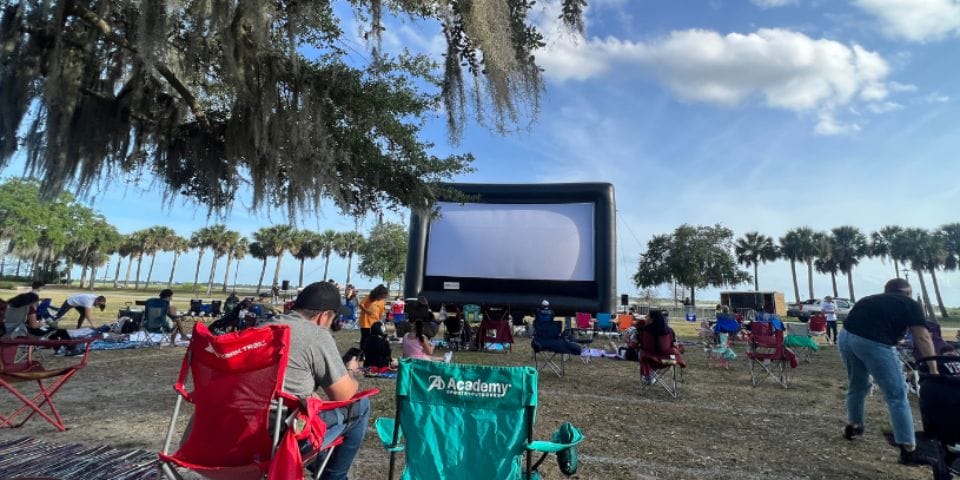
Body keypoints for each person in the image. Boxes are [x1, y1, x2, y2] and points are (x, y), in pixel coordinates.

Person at [268, 281, 369, 480]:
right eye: (333, 319)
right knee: (361, 405)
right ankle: (334, 477)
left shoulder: (262, 328)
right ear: (324, 316)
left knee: (312, 408)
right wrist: (350, 370)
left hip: (234, 431)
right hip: (281, 435)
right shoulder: (316, 334)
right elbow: (345, 394)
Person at [838, 278, 937, 465]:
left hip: (845, 337)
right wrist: (933, 368)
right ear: (906, 292)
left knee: (858, 384)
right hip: (872, 342)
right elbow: (922, 336)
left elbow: (871, 323)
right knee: (897, 394)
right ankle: (908, 448)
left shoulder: (870, 299)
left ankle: (854, 425)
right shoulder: (910, 303)